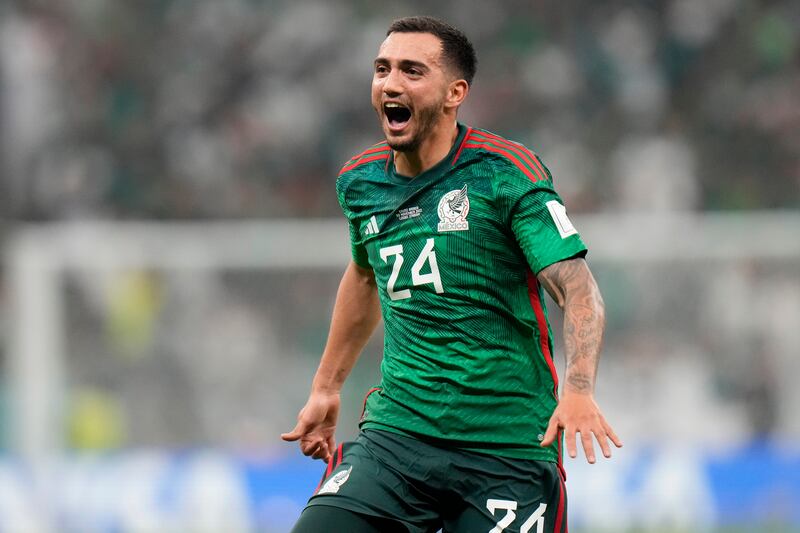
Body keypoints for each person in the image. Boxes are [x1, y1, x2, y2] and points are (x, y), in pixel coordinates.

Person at [282, 15, 621, 533]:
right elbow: (366, 275)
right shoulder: (360, 181)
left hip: (506, 451)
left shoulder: (504, 173)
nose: (390, 83)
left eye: (412, 71)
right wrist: (327, 387)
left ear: (454, 92)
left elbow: (578, 288)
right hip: (397, 439)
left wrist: (578, 388)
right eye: (382, 69)